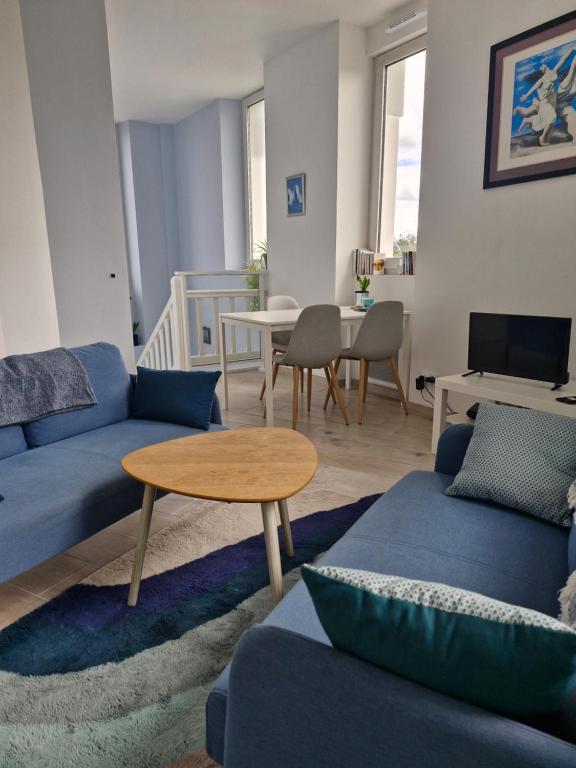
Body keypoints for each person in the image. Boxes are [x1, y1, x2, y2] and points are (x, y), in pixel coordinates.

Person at [513, 47, 576, 145]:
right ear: (543, 71)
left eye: (542, 65)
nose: (542, 65)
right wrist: (526, 95)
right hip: (548, 103)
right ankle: (542, 138)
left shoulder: (553, 72)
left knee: (542, 118)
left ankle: (527, 120)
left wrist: (571, 50)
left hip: (554, 103)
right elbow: (534, 87)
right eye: (541, 67)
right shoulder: (546, 80)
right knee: (549, 117)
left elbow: (563, 60)